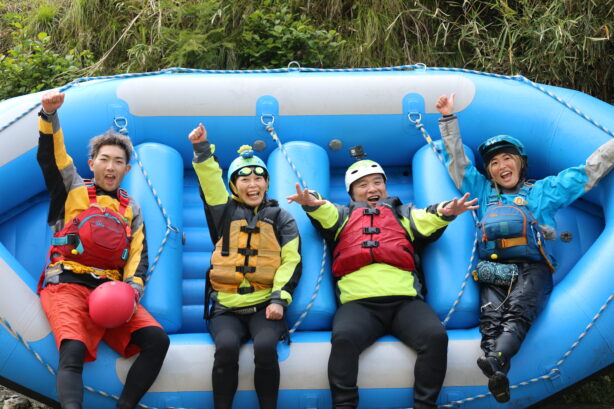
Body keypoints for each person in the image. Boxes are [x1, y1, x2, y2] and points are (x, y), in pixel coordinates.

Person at [435, 93, 614, 403]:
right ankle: (497, 366)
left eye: (507, 158)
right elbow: (458, 164)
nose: (501, 165)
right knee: (490, 318)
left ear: (520, 163)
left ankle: (496, 362)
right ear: (489, 171)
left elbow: (585, 173)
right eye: (494, 162)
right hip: (493, 268)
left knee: (519, 309)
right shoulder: (481, 191)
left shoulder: (542, 191)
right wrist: (448, 120)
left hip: (532, 267)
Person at [286, 154, 478, 409]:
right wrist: (310, 202)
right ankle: (344, 405)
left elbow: (432, 216)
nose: (372, 189)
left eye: (378, 182)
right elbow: (323, 210)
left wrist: (448, 211)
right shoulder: (342, 216)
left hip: (405, 303)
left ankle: (424, 405)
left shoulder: (404, 214)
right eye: (363, 185)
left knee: (435, 337)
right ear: (352, 193)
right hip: (359, 305)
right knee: (343, 338)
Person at [37, 90, 170, 409]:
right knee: (73, 350)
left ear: (127, 170)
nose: (111, 167)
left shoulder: (131, 208)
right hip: (67, 285)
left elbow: (137, 256)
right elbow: (53, 159)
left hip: (110, 291)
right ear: (92, 163)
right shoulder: (72, 190)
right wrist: (49, 117)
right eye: (105, 160)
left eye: (118, 162)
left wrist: (132, 292)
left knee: (157, 340)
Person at [188, 123, 302, 409]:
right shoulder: (223, 212)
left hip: (265, 306)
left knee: (265, 348)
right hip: (226, 308)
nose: (253, 185)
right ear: (234, 186)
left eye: (258, 178)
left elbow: (291, 260)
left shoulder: (282, 218)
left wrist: (279, 299)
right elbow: (210, 183)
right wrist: (202, 149)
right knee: (226, 349)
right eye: (245, 179)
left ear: (267, 183)